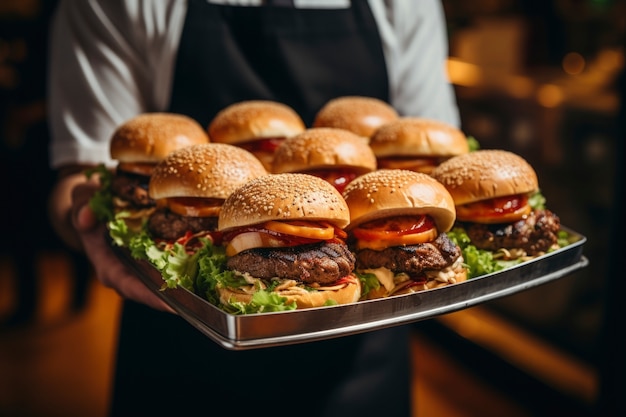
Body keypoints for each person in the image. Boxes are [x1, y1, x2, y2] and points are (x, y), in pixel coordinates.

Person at [47, 1, 460, 416]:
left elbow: (433, 160)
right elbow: (83, 173)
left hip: (365, 355)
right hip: (176, 342)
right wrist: (83, 219)